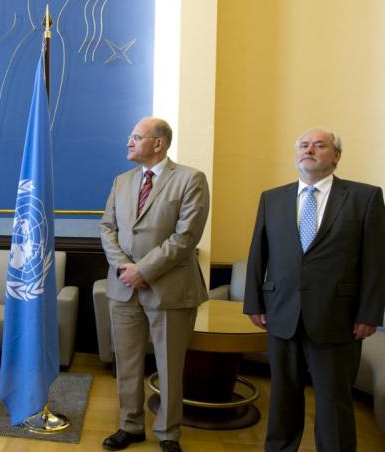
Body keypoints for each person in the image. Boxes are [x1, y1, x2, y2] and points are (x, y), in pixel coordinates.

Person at [243, 128, 385, 452]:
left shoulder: (365, 197)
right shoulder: (272, 198)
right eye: (303, 145)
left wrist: (369, 313)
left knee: (334, 402)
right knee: (282, 398)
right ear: (296, 155)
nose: (310, 150)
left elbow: (376, 261)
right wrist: (254, 302)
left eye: (320, 145)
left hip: (339, 318)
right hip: (281, 314)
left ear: (335, 156)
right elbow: (258, 253)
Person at [99, 117, 210, 452]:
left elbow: (185, 237)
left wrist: (143, 271)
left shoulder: (191, 179)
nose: (129, 142)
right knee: (128, 362)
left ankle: (167, 433)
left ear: (158, 143)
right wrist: (124, 267)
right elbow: (107, 227)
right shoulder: (122, 181)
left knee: (169, 365)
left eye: (135, 137)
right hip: (122, 287)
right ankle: (130, 426)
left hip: (169, 288)